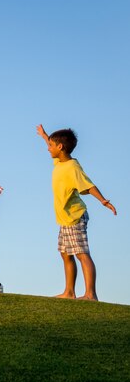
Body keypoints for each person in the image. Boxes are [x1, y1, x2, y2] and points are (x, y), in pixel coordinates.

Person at [36, 124, 117, 301]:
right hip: (64, 219)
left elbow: (88, 185)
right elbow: (53, 144)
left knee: (81, 253)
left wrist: (102, 200)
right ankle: (69, 292)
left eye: (50, 146)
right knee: (66, 254)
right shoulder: (59, 161)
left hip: (75, 217)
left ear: (60, 147)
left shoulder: (73, 167)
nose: (48, 148)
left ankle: (90, 294)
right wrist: (44, 135)